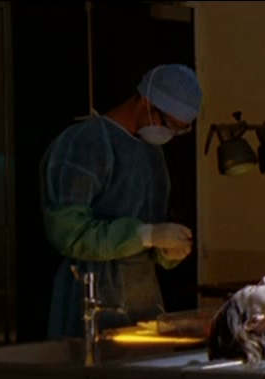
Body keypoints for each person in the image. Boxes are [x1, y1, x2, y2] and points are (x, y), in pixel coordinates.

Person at [41, 64, 202, 339]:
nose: (170, 134)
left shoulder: (151, 153)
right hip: (89, 296)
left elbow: (151, 229)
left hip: (143, 302)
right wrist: (146, 235)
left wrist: (165, 250)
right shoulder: (85, 144)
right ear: (147, 102)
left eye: (179, 130)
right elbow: (69, 233)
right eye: (169, 125)